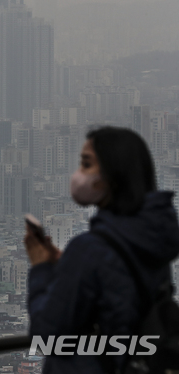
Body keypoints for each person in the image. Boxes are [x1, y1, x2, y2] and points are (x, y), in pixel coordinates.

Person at [24, 126, 179, 373]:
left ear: (113, 174)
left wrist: (42, 268)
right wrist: (69, 267)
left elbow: (46, 335)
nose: (78, 175)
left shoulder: (90, 250)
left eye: (87, 164)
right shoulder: (151, 240)